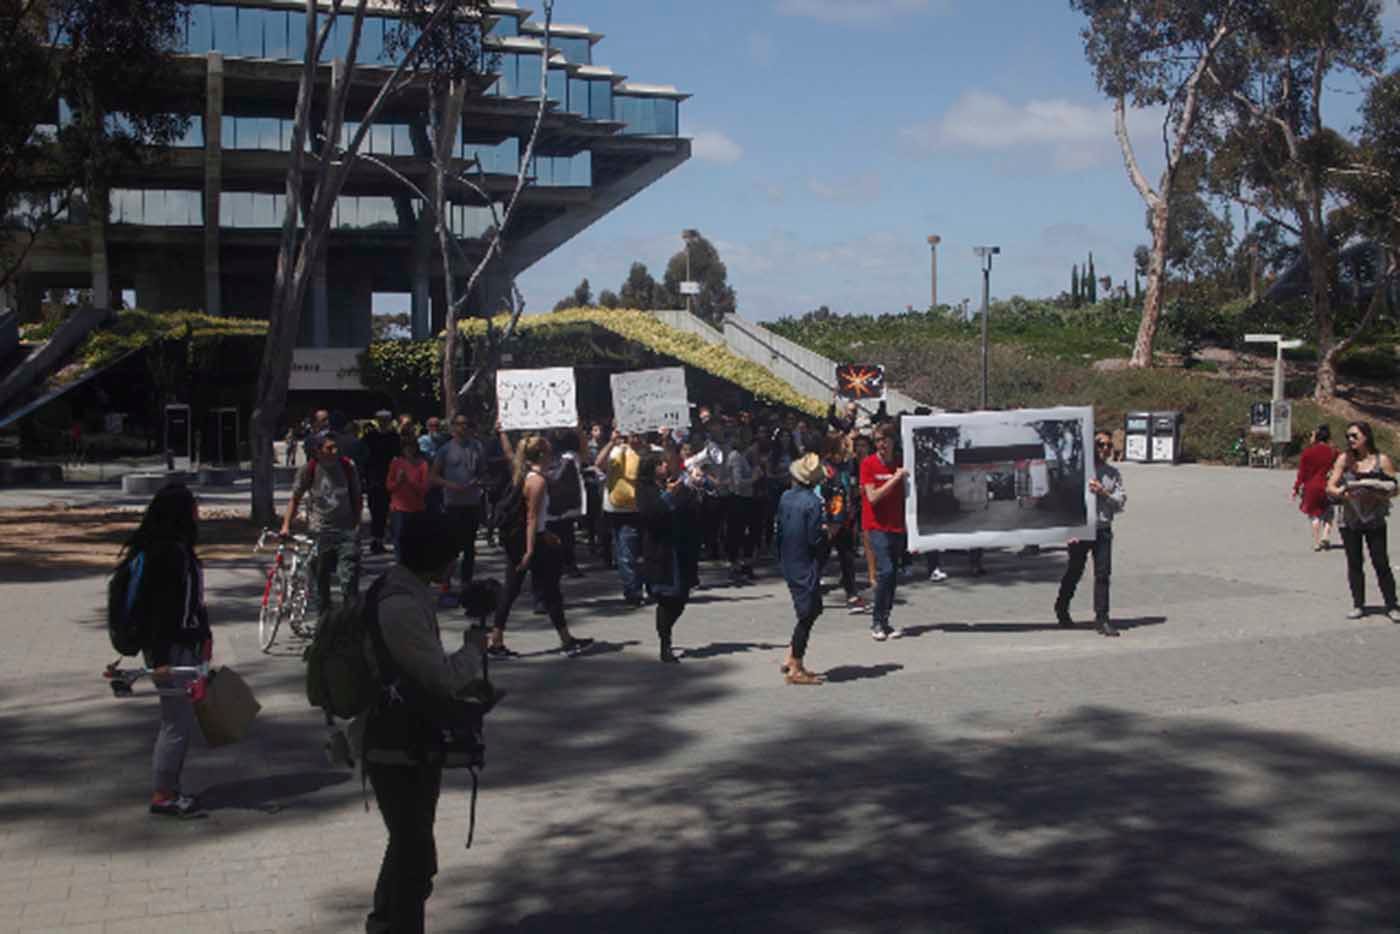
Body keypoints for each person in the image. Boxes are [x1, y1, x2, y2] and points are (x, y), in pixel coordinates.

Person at [361, 511, 486, 934]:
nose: (456, 563)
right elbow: (440, 678)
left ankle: (386, 922)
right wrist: (473, 650)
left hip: (407, 737)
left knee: (411, 847)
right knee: (413, 852)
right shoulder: (400, 605)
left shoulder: (405, 591)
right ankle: (392, 924)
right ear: (438, 557)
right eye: (453, 555)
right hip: (396, 742)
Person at [120, 483, 212, 817]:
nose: (197, 511)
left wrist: (205, 638)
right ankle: (163, 795)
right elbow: (157, 613)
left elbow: (192, 604)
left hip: (182, 646)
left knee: (177, 722)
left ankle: (170, 789)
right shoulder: (168, 555)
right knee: (176, 724)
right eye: (193, 505)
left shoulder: (176, 548)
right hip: (171, 651)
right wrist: (160, 661)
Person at [491, 432, 593, 657]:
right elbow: (531, 517)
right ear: (541, 455)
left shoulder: (527, 475)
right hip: (529, 543)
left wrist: (545, 534)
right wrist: (530, 550)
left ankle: (496, 640)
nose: (551, 454)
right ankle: (565, 640)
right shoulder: (536, 481)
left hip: (530, 539)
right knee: (545, 590)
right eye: (548, 451)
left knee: (517, 589)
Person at [1055, 430, 1128, 637]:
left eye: (1109, 445)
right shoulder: (1079, 471)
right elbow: (1067, 501)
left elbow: (1120, 502)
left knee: (1103, 575)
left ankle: (1102, 618)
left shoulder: (1113, 473)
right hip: (1080, 530)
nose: (1105, 449)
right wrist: (1069, 529)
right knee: (1075, 571)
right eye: (1100, 444)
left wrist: (1104, 493)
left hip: (1102, 529)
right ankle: (1062, 607)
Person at [1325, 421, 1399, 620]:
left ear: (1366, 436)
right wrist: (1343, 493)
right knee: (1355, 562)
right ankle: (1358, 605)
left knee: (1381, 562)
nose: (1350, 440)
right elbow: (1330, 486)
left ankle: (1392, 605)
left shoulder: (1381, 460)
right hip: (1350, 519)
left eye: (1355, 436)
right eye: (1348, 436)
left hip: (1374, 518)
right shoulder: (1345, 459)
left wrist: (1380, 493)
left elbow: (1395, 488)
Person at [282, 432, 362, 613]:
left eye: (336, 447)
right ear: (318, 451)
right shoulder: (308, 470)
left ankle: (351, 620)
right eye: (329, 448)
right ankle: (324, 621)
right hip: (319, 531)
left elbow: (357, 498)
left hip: (345, 531)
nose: (335, 451)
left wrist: (356, 526)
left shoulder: (348, 467)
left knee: (349, 578)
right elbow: (295, 499)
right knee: (320, 580)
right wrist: (286, 526)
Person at [637, 451, 701, 663]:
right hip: (660, 551)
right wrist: (668, 496)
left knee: (681, 598)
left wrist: (694, 487)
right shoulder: (645, 489)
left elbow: (692, 508)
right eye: (660, 463)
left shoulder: (675, 484)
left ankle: (666, 633)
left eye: (665, 462)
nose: (665, 466)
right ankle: (665, 644)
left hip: (681, 549)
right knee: (666, 599)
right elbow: (650, 514)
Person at [778, 453, 829, 684]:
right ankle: (795, 664)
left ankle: (792, 656)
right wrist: (825, 535)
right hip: (805, 562)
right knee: (808, 612)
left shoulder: (786, 497)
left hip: (789, 558)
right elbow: (813, 538)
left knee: (812, 609)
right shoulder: (813, 503)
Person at [860, 424, 908, 641]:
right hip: (876, 526)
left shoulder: (900, 463)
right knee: (885, 571)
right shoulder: (868, 464)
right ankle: (877, 621)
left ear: (893, 441)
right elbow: (872, 497)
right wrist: (895, 478)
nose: (881, 444)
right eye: (878, 440)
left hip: (896, 525)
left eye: (884, 440)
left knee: (893, 575)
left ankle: (886, 620)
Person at [431, 414, 486, 600]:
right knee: (452, 547)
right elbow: (433, 476)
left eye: (466, 424)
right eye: (460, 424)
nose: (463, 427)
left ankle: (466, 584)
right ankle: (445, 584)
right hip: (453, 503)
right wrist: (451, 485)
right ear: (453, 427)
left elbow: (483, 472)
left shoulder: (477, 447)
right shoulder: (445, 450)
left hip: (472, 503)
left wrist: (478, 482)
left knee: (469, 547)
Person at [598, 429, 646, 606]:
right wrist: (612, 442)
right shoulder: (615, 450)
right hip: (613, 507)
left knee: (628, 552)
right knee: (622, 551)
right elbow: (599, 463)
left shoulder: (644, 451)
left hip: (633, 508)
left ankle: (634, 592)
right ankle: (632, 588)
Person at [820, 431, 866, 614]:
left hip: (845, 518)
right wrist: (825, 520)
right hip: (829, 520)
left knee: (847, 557)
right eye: (843, 445)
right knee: (821, 557)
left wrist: (855, 499)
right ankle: (807, 591)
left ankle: (852, 595)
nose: (846, 448)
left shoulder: (847, 466)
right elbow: (821, 495)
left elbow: (851, 486)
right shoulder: (824, 468)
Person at [1294, 424, 1337, 551]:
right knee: (1329, 512)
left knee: (1314, 515)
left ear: (1317, 437)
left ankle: (1317, 542)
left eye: (1312, 435)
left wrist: (1296, 487)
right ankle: (1325, 536)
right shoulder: (1333, 451)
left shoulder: (1307, 452)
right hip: (1327, 485)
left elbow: (1302, 473)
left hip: (1311, 487)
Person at [387, 431, 431, 557]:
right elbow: (389, 486)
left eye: (411, 447)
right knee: (399, 538)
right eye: (406, 447)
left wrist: (409, 481)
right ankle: (400, 563)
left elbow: (424, 489)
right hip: (399, 509)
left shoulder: (423, 464)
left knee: (416, 539)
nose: (409, 450)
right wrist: (398, 481)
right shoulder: (396, 463)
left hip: (417, 508)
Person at [364, 410, 401, 555]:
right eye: (381, 420)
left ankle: (392, 538)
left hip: (390, 478)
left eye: (386, 420)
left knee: (390, 511)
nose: (383, 422)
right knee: (376, 511)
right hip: (374, 479)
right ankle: (376, 540)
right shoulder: (369, 437)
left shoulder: (394, 437)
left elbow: (399, 457)